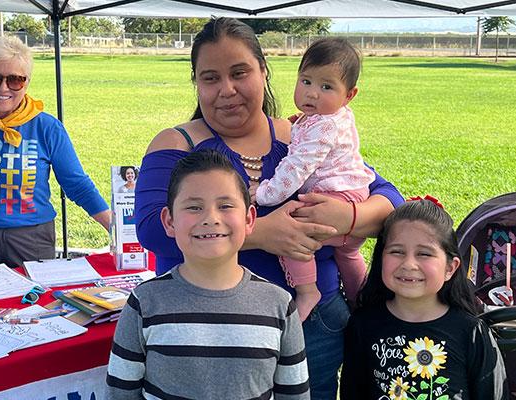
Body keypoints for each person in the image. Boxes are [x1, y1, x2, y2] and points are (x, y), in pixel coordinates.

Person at [134, 17, 404, 399]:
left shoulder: (305, 133)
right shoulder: (177, 144)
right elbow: (149, 227)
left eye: (239, 73)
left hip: (314, 322)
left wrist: (350, 217)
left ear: (264, 72)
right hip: (208, 326)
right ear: (196, 82)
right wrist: (260, 233)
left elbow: (390, 198)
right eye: (210, 78)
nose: (226, 90)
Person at [107, 150, 309, 399]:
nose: (211, 218)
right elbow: (120, 394)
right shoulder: (144, 303)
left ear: (249, 219)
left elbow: (294, 395)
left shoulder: (279, 305)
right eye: (194, 207)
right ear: (169, 221)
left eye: (225, 206)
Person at [0, 36, 111, 270]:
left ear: (27, 83)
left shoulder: (46, 127)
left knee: (37, 306)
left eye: (15, 80)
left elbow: (76, 183)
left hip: (31, 238)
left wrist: (117, 228)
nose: (3, 88)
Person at [252, 38, 375, 321]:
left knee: (295, 232)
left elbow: (296, 168)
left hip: (340, 196)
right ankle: (364, 302)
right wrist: (301, 125)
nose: (313, 94)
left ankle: (308, 291)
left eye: (326, 87)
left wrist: (264, 193)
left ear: (349, 95)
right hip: (352, 190)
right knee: (348, 254)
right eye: (306, 81)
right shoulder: (329, 118)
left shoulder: (323, 127)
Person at [340, 198, 509, 400]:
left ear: (450, 268)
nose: (409, 264)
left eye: (424, 254)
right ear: (381, 257)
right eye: (397, 251)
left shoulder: (471, 333)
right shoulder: (363, 325)